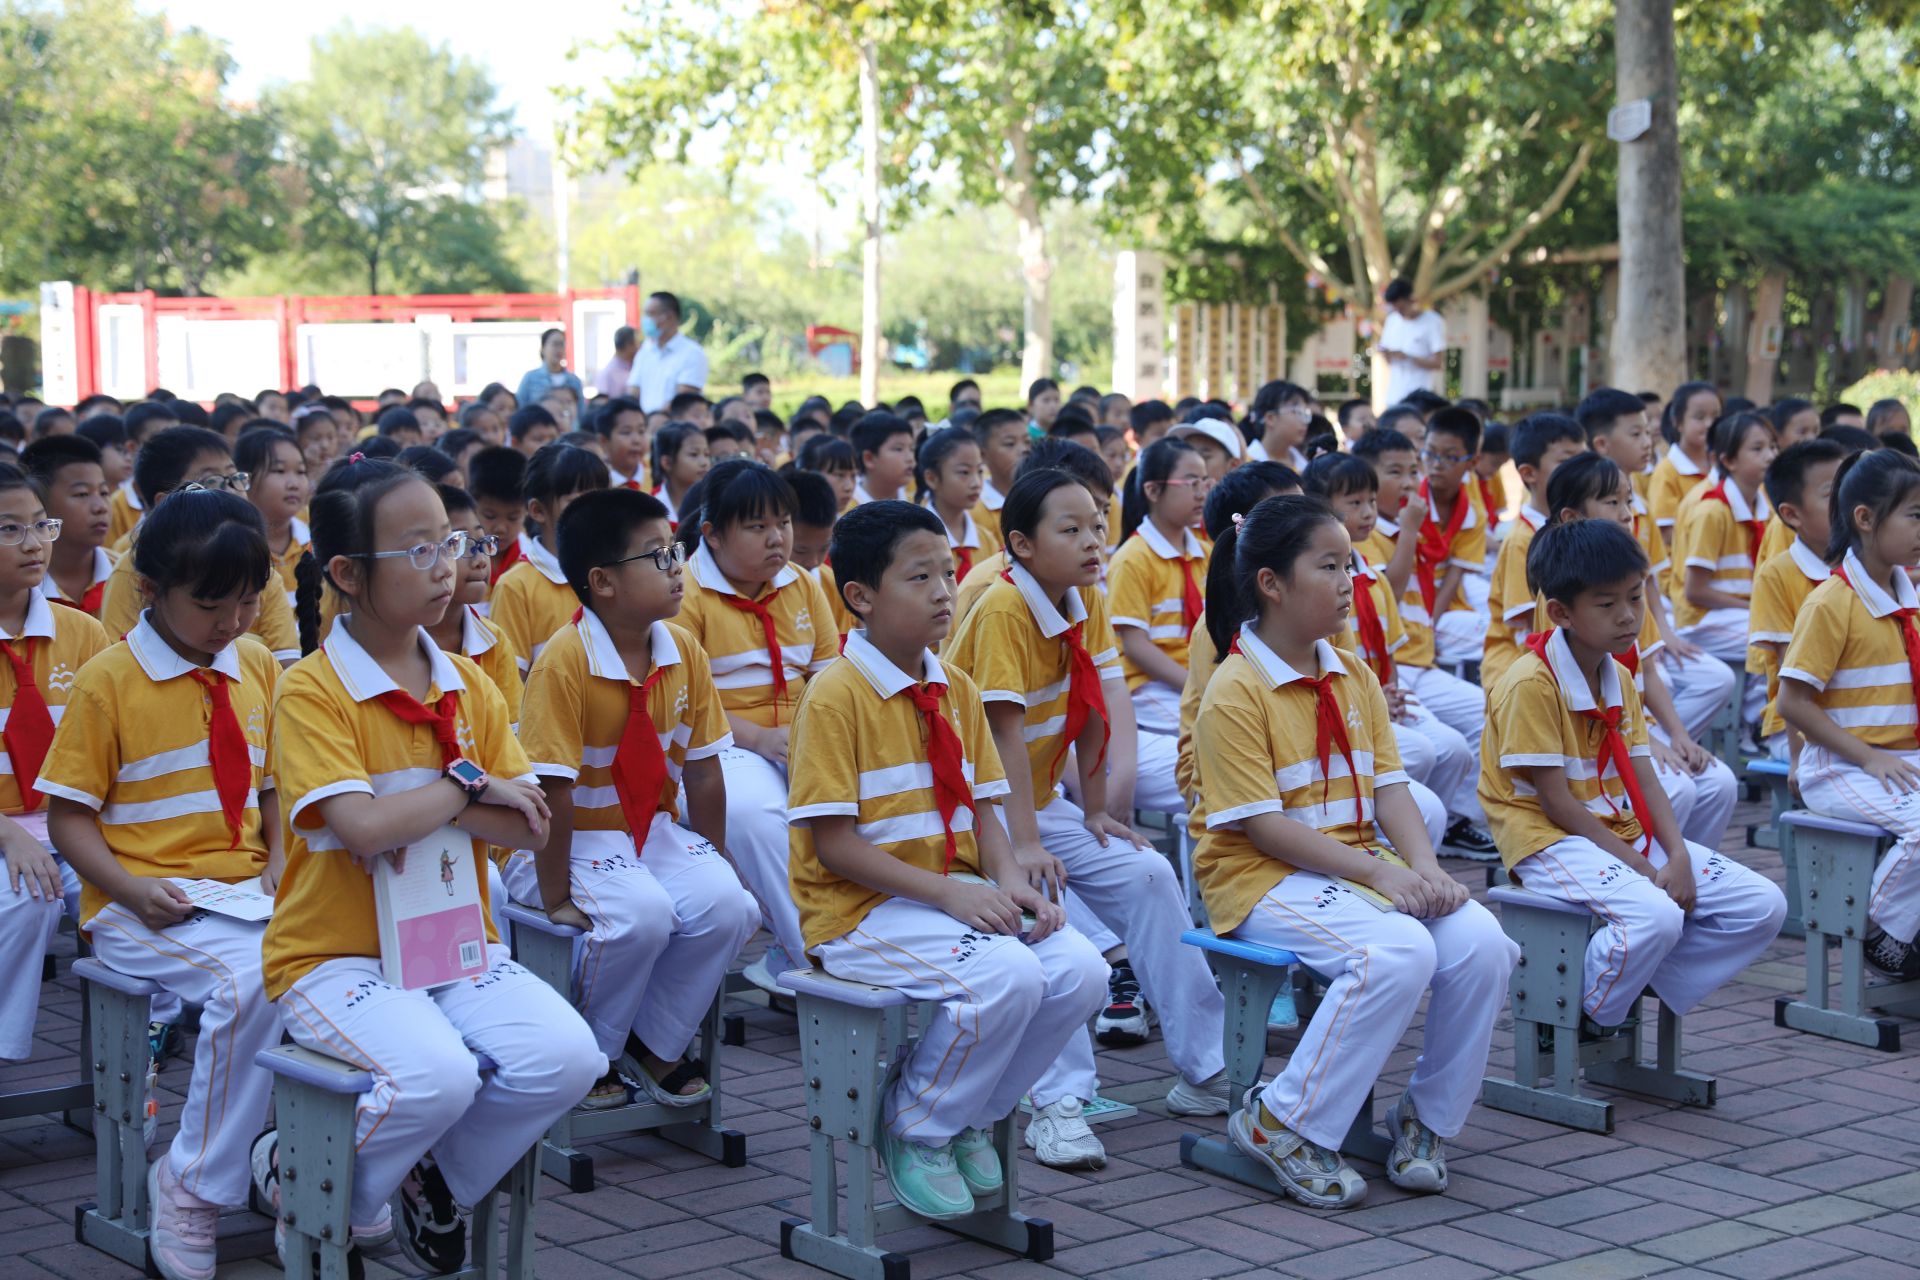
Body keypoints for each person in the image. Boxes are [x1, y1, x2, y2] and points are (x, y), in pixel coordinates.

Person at [261, 456, 600, 1274]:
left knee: (567, 1057)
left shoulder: (470, 685)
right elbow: (362, 829)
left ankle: (427, 1176)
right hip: (335, 954)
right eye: (417, 550)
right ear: (347, 574)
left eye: (450, 543)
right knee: (437, 1077)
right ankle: (307, 1182)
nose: (446, 565)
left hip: (450, 941)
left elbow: (529, 826)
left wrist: (428, 802)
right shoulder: (313, 692)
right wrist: (464, 785)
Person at [787, 499, 1104, 1219]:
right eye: (919, 577)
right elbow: (834, 846)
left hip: (944, 896)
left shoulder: (954, 687)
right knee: (1007, 974)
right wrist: (950, 894)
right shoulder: (834, 695)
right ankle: (916, 1124)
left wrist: (1012, 883)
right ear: (860, 597)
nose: (943, 592)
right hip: (859, 911)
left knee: (1079, 970)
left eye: (949, 574)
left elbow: (986, 810)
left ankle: (966, 1117)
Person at [1196, 494, 1515, 1210]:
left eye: (1351, 565)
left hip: (1351, 867)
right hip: (1260, 879)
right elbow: (1264, 830)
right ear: (1272, 584)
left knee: (1482, 943)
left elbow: (1391, 788)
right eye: (1330, 566)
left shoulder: (1352, 673)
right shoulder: (1235, 688)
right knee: (1398, 951)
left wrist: (1425, 868)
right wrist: (1382, 874)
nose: (1351, 582)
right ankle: (1280, 1121)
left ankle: (1425, 1119)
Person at [944, 468, 1228, 1171]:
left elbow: (1094, 704)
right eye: (1070, 530)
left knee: (1149, 872)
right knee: (1042, 907)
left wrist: (1096, 809)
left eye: (1098, 525)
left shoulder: (1085, 595)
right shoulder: (1003, 606)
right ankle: (1059, 1101)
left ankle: (1207, 1069)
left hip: (1040, 801)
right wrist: (1025, 843)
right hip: (974, 809)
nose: (1093, 541)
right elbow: (1002, 733)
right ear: (1022, 545)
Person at [40, 486, 283, 1280]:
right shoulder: (109, 680)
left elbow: (273, 790)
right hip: (140, 904)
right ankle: (194, 1184)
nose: (232, 622)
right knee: (255, 981)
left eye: (248, 601)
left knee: (344, 964)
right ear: (149, 588)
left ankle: (294, 1161)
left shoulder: (255, 663)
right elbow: (69, 820)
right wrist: (130, 889)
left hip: (243, 897)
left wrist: (281, 865)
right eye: (211, 604)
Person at [1482, 517, 1783, 1043]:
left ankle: (1629, 981)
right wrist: (1645, 868)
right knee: (1658, 916)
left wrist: (1678, 854)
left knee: (1761, 905)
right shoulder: (1530, 683)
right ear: (1561, 613)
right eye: (1606, 604)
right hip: (1545, 838)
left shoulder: (1618, 674)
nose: (1628, 615)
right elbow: (1556, 804)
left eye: (1636, 597)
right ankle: (1583, 1013)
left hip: (1613, 827)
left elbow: (1644, 777)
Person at [511, 486, 758, 1108]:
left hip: (649, 829)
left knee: (731, 905)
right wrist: (554, 895)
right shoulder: (565, 661)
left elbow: (704, 771)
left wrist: (715, 855)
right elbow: (553, 789)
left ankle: (653, 1041)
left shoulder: (683, 651)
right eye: (657, 556)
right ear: (602, 582)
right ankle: (591, 1053)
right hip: (571, 837)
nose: (677, 568)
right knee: (640, 916)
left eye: (675, 551)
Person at [672, 461, 837, 989]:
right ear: (712, 535)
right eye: (757, 526)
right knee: (755, 814)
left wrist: (819, 737)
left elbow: (829, 678)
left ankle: (853, 942)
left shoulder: (804, 583)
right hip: (720, 746)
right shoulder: (685, 593)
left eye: (783, 523)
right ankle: (817, 958)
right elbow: (682, 706)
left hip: (801, 736)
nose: (777, 539)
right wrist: (762, 738)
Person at [1544, 455, 1737, 851]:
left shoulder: (1628, 587)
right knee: (1678, 789)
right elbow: (1585, 698)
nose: (1626, 513)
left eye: (1629, 501)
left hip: (1632, 727)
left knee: (1720, 782)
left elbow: (1646, 670)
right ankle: (1652, 867)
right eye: (1612, 502)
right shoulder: (1563, 596)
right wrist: (1648, 744)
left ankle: (1687, 870)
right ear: (1571, 517)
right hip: (1592, 736)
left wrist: (1680, 736)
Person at [1779, 449, 1920, 976]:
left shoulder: (1909, 597)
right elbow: (1792, 702)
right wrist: (1867, 757)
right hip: (1841, 768)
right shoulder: (1831, 602)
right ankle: (1873, 929)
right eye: (1915, 515)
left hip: (1899, 761)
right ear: (1865, 518)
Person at [0, 462, 109, 1068]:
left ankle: (127, 1063)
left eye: (41, 525)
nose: (33, 543)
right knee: (28, 898)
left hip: (71, 823)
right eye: (9, 529)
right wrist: (8, 835)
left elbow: (109, 747)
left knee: (131, 902)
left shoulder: (83, 633)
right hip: (6, 831)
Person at [1303, 454, 1458, 853]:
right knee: (1422, 751)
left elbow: (1389, 653)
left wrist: (1391, 696)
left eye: (1371, 501)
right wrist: (1376, 703)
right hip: (1351, 701)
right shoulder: (1317, 587)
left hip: (1378, 693)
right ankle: (1386, 836)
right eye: (1354, 503)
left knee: (1452, 747)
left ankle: (1421, 838)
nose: (1368, 512)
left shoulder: (1372, 575)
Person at [1352, 427, 1494, 855]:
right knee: (1434, 748)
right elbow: (1389, 595)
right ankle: (1397, 834)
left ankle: (1450, 821)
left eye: (1413, 471)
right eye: (1394, 472)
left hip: (1414, 661)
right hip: (1397, 667)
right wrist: (1411, 531)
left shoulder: (1403, 527)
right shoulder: (1369, 537)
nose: (1409, 482)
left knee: (1483, 714)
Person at [101, 427, 302, 665]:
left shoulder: (254, 562)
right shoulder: (134, 570)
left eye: (234, 478)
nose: (231, 491)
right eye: (212, 482)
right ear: (167, 502)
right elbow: (120, 658)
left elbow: (285, 656)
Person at [1109, 438, 1211, 818]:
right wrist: (1197, 685)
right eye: (1191, 482)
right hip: (1151, 687)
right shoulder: (1133, 559)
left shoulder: (1205, 552)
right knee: (1213, 746)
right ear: (1153, 490)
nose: (1202, 492)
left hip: (1195, 680)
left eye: (1205, 481)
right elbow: (1135, 646)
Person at [1669, 409, 1778, 727]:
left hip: (1735, 614)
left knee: (1782, 629)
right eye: (1757, 449)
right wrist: (1755, 607)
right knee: (1772, 637)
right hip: (1701, 619)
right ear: (1728, 461)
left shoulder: (1764, 506)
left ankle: (1757, 722)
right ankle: (1755, 725)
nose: (1770, 456)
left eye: (1772, 446)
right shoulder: (1711, 511)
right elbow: (1696, 591)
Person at [1748, 439, 1847, 764]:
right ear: (1792, 514)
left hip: (1864, 715)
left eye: (1850, 487)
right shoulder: (1777, 574)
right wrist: (1796, 759)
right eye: (1832, 493)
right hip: (1798, 729)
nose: (1848, 500)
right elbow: (1789, 671)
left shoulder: (1868, 561)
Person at [1481, 413, 1587, 691]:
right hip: (1519, 672)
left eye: (1583, 460)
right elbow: (1538, 626)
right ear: (1529, 473)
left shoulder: (1574, 528)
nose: (1580, 472)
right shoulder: (1522, 541)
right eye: (1567, 461)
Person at [492, 445, 611, 672]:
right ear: (538, 510)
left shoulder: (616, 571)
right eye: (577, 501)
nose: (595, 511)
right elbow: (512, 679)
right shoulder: (515, 586)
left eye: (601, 499)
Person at [422, 485, 522, 730]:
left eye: (482, 542)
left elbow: (512, 731)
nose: (480, 561)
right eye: (460, 545)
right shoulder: (398, 643)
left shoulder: (494, 640)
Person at [21, 436, 116, 617]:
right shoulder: (17, 587)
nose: (101, 507)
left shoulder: (127, 574)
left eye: (104, 492)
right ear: (39, 502)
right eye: (82, 494)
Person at [234, 428, 312, 614]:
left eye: (301, 471)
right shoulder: (233, 551)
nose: (294, 483)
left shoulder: (316, 538)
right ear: (245, 479)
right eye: (279, 470)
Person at [916, 426, 999, 581]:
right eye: (964, 472)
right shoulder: (913, 540)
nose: (976, 483)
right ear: (932, 478)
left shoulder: (987, 540)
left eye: (980, 471)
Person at [1650, 381, 1721, 548]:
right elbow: (1666, 534)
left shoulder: (1725, 465)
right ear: (1678, 422)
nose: (1709, 424)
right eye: (1699, 417)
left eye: (1716, 417)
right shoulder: (1667, 471)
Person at [627, 292, 709, 413]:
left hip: (673, 423)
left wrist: (655, 419)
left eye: (651, 314)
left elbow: (682, 401)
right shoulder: (645, 352)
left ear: (670, 317)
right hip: (645, 423)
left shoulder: (692, 353)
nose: (645, 320)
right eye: (645, 314)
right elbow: (632, 393)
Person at [1376, 279, 1448, 406]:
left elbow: (1438, 363)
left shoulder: (1432, 321)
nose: (1400, 313)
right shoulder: (1392, 321)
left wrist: (1408, 357)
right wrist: (1386, 353)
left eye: (1402, 308)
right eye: (1396, 309)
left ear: (1411, 300)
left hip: (1420, 396)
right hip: (1394, 396)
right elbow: (1388, 359)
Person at [467, 446, 529, 589]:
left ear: (527, 511)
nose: (501, 528)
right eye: (490, 516)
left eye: (513, 518)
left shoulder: (532, 559)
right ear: (472, 507)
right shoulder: (457, 560)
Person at [970, 408, 1029, 545]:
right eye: (1010, 444)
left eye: (1027, 442)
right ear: (982, 455)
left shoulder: (1039, 499)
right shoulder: (974, 510)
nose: (1023, 450)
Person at [515, 328, 586, 415]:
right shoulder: (530, 378)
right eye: (555, 344)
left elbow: (581, 413)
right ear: (543, 348)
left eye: (562, 344)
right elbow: (519, 409)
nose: (559, 349)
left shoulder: (574, 381)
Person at [851, 411, 916, 506]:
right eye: (898, 449)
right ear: (869, 459)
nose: (910, 458)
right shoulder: (844, 508)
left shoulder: (916, 502)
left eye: (911, 449)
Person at [595, 326, 639, 399]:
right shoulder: (607, 373)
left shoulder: (636, 367)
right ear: (628, 345)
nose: (639, 348)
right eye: (637, 343)